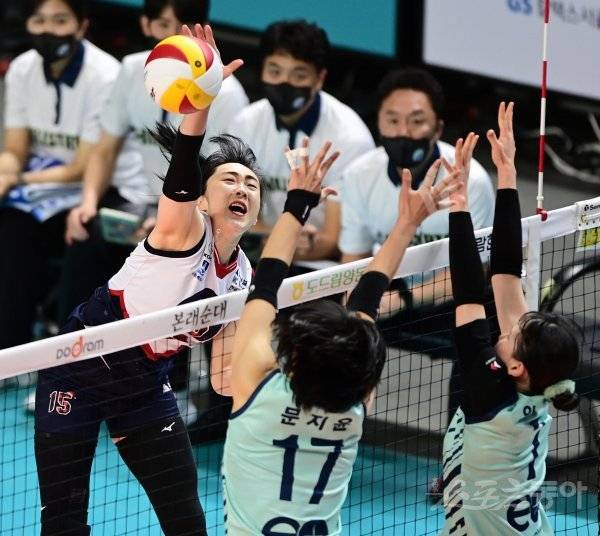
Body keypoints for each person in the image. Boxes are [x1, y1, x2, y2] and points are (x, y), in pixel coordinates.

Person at [33, 24, 255, 536]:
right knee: (64, 523)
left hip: (144, 386)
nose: (242, 187)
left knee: (186, 521)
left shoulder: (243, 276)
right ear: (202, 199)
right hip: (78, 372)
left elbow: (224, 380)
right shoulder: (182, 231)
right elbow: (183, 167)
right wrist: (200, 102)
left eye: (251, 182)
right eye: (229, 179)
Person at [221, 137, 462, 534]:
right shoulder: (355, 408)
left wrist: (299, 202)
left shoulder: (258, 391)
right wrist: (408, 223)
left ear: (295, 359)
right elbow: (363, 300)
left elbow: (267, 280)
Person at [60, 0, 249, 324]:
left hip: (193, 212)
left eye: (182, 27)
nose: (174, 36)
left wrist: (175, 219)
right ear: (146, 25)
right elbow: (105, 149)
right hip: (135, 202)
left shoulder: (227, 93)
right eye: (163, 25)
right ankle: (65, 339)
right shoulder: (132, 69)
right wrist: (87, 203)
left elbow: (221, 178)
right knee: (84, 237)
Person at [442, 103, 580, 535]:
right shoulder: (536, 383)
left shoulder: (489, 393)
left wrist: (459, 204)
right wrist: (506, 173)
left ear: (516, 365)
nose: (509, 322)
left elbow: (469, 291)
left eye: (513, 332)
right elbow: (505, 273)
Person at [338, 67, 495, 426]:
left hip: (450, 298)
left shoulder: (470, 180)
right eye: (393, 120)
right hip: (384, 290)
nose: (404, 132)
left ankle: (463, 437)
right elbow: (352, 261)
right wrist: (363, 303)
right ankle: (339, 421)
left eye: (416, 121)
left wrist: (406, 298)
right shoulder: (360, 174)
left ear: (437, 128)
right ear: (378, 123)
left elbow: (475, 273)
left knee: (478, 338)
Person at [0, 0, 119, 351]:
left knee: (45, 236)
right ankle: (9, 349)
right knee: (11, 228)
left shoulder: (105, 74)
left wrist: (17, 181)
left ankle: (57, 354)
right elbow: (15, 149)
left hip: (88, 186)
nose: (48, 30)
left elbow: (83, 165)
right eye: (39, 20)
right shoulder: (22, 68)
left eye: (60, 20)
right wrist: (5, 174)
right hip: (37, 182)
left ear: (81, 26)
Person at [227, 19, 374, 266]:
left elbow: (335, 239)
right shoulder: (245, 124)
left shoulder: (350, 139)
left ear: (320, 78)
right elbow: (232, 211)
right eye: (275, 71)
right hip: (253, 255)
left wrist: (301, 244)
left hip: (315, 263)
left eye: (299, 75)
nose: (284, 83)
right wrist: (275, 239)